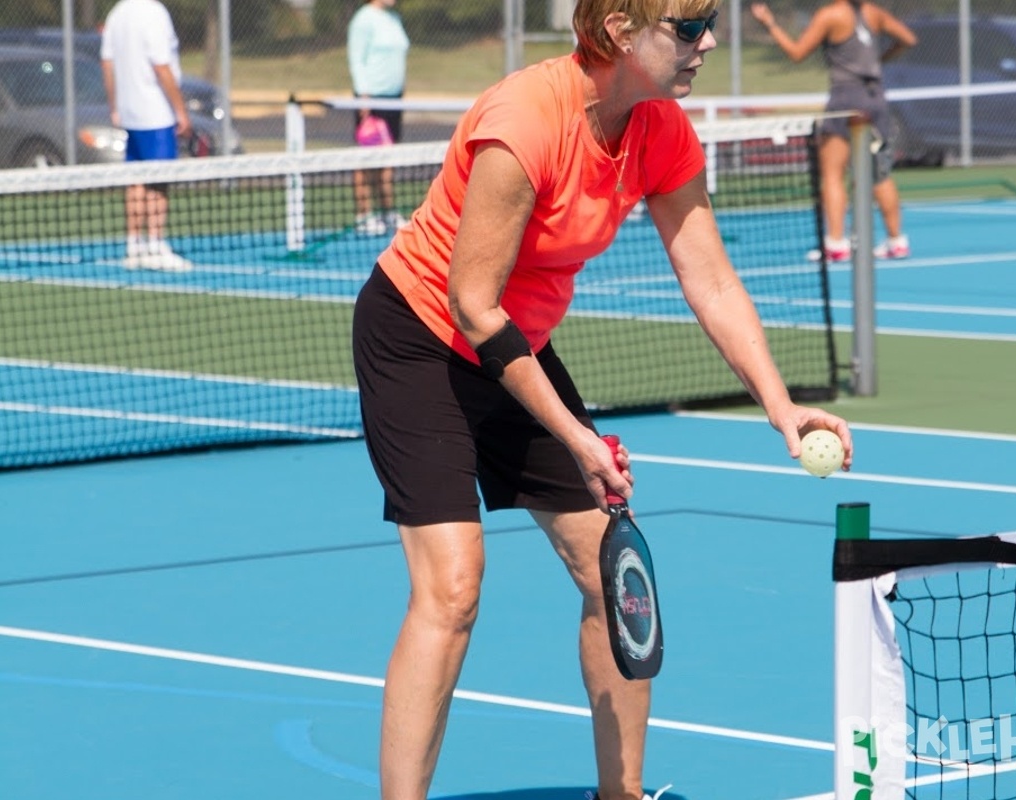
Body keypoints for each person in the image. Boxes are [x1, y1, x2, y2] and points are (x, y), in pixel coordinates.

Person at [351, 1, 855, 798]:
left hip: (517, 345)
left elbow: (712, 279)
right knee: (452, 587)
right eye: (688, 27)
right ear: (620, 30)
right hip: (421, 336)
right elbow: (474, 305)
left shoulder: (660, 128)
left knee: (611, 574)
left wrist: (780, 406)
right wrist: (577, 437)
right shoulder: (527, 121)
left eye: (710, 22)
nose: (708, 43)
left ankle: (620, 794)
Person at [750, 0, 916, 261]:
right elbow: (908, 39)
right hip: (875, 98)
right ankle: (897, 241)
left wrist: (769, 23)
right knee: (880, 174)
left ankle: (836, 244)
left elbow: (796, 53)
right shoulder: (874, 13)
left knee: (832, 173)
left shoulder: (830, 15)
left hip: (846, 99)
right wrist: (879, 60)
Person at [100, 0, 193, 272]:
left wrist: (115, 105)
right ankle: (154, 245)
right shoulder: (154, 13)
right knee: (158, 182)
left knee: (137, 180)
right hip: (156, 113)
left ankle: (134, 247)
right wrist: (180, 111)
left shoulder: (116, 13)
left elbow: (107, 63)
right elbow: (161, 66)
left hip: (131, 112)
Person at [348, 0, 411, 236]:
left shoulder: (395, 19)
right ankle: (364, 215)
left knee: (389, 157)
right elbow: (357, 60)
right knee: (366, 159)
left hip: (394, 100)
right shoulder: (363, 19)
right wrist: (363, 97)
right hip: (371, 100)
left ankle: (387, 211)